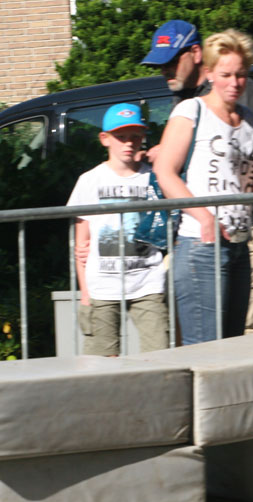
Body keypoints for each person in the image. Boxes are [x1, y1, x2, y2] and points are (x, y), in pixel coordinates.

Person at [142, 19, 253, 332]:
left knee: (232, 349)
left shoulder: (250, 120)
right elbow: (165, 172)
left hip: (238, 245)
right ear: (209, 73)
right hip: (200, 246)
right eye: (226, 75)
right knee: (206, 349)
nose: (234, 83)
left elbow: (251, 183)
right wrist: (205, 217)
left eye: (241, 75)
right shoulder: (190, 111)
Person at [67, 103, 168, 355]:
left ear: (143, 138)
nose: (128, 143)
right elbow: (81, 246)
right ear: (105, 139)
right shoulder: (90, 181)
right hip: (102, 284)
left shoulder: (154, 178)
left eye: (135, 136)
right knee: (102, 361)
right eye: (120, 137)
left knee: (161, 355)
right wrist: (86, 294)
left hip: (147, 282)